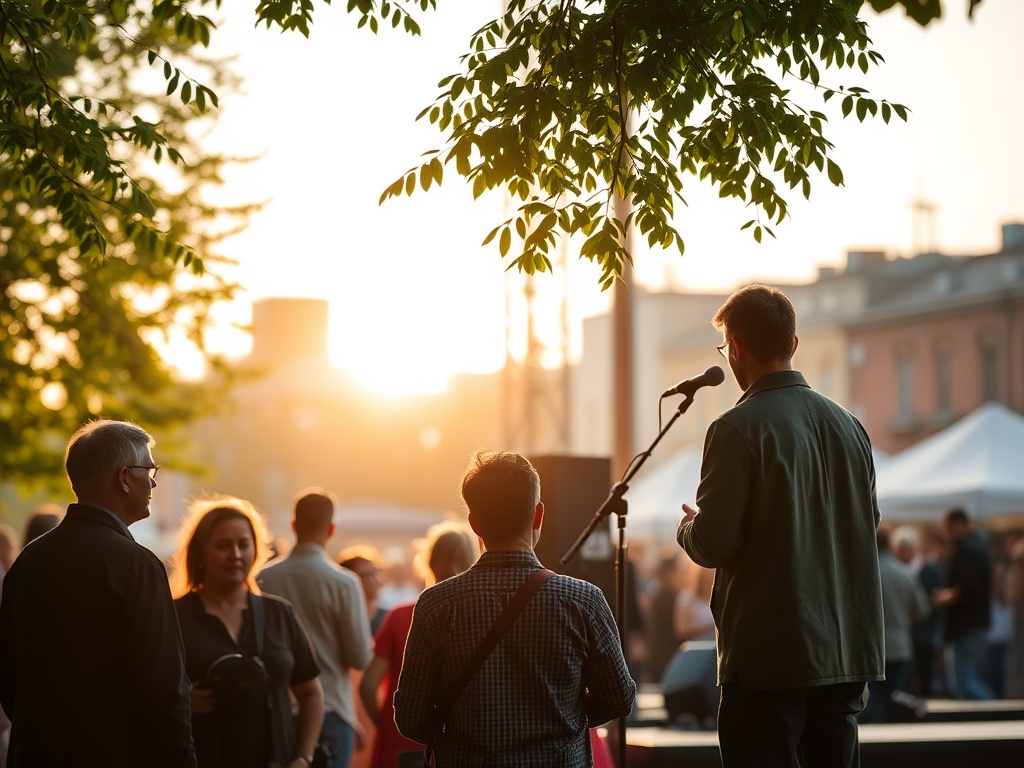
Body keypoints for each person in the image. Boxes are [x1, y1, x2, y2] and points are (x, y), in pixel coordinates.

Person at [677, 284, 883, 768]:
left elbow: (714, 542)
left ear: (736, 349)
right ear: (792, 343)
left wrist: (689, 528)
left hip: (767, 657)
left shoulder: (735, 427)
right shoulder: (851, 427)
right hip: (845, 651)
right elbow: (867, 523)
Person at [394, 451, 635, 766]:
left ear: (474, 524)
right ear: (538, 515)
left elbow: (411, 717)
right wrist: (564, 719)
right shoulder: (583, 600)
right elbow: (619, 699)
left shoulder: (436, 604)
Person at [0, 419, 196, 767]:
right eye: (150, 470)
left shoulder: (29, 560)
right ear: (124, 478)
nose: (153, 482)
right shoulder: (136, 565)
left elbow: (8, 676)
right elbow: (164, 687)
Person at [172, 496, 324, 768]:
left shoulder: (280, 613)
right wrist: (179, 702)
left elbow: (311, 693)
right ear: (200, 553)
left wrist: (303, 757)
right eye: (223, 545)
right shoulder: (173, 616)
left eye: (243, 544)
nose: (236, 555)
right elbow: (141, 693)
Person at [258, 488, 373, 768]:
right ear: (331, 529)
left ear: (294, 524)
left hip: (276, 710)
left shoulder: (262, 578)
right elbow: (359, 657)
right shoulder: (344, 583)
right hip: (333, 709)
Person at [359, 521, 478, 768]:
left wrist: (387, 726)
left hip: (400, 744)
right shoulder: (478, 620)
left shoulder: (401, 616)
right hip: (459, 744)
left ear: (429, 563)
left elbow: (368, 686)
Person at [863, 525, 930, 723]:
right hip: (900, 645)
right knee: (896, 698)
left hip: (870, 646)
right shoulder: (904, 572)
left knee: (872, 699)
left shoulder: (862, 572)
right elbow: (922, 610)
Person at [934, 507, 992, 700]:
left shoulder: (967, 550)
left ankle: (991, 711)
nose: (947, 533)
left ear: (958, 524)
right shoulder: (976, 546)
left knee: (963, 681)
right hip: (972, 624)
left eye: (949, 528)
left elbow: (968, 588)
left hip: (966, 624)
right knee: (966, 678)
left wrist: (944, 597)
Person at [338, 547, 388, 635]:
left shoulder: (388, 618)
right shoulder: (340, 620)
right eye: (367, 575)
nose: (376, 581)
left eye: (375, 574)